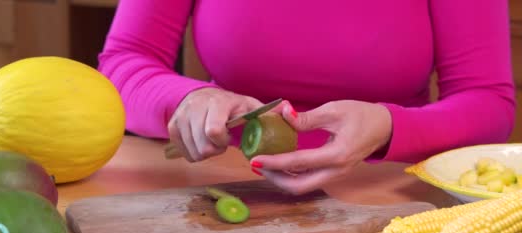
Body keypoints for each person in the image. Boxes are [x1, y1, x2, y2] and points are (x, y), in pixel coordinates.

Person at [97, 0, 516, 195]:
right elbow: (123, 63)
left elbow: (488, 101)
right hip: (218, 186)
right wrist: (188, 98)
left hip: (383, 198)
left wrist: (390, 127)